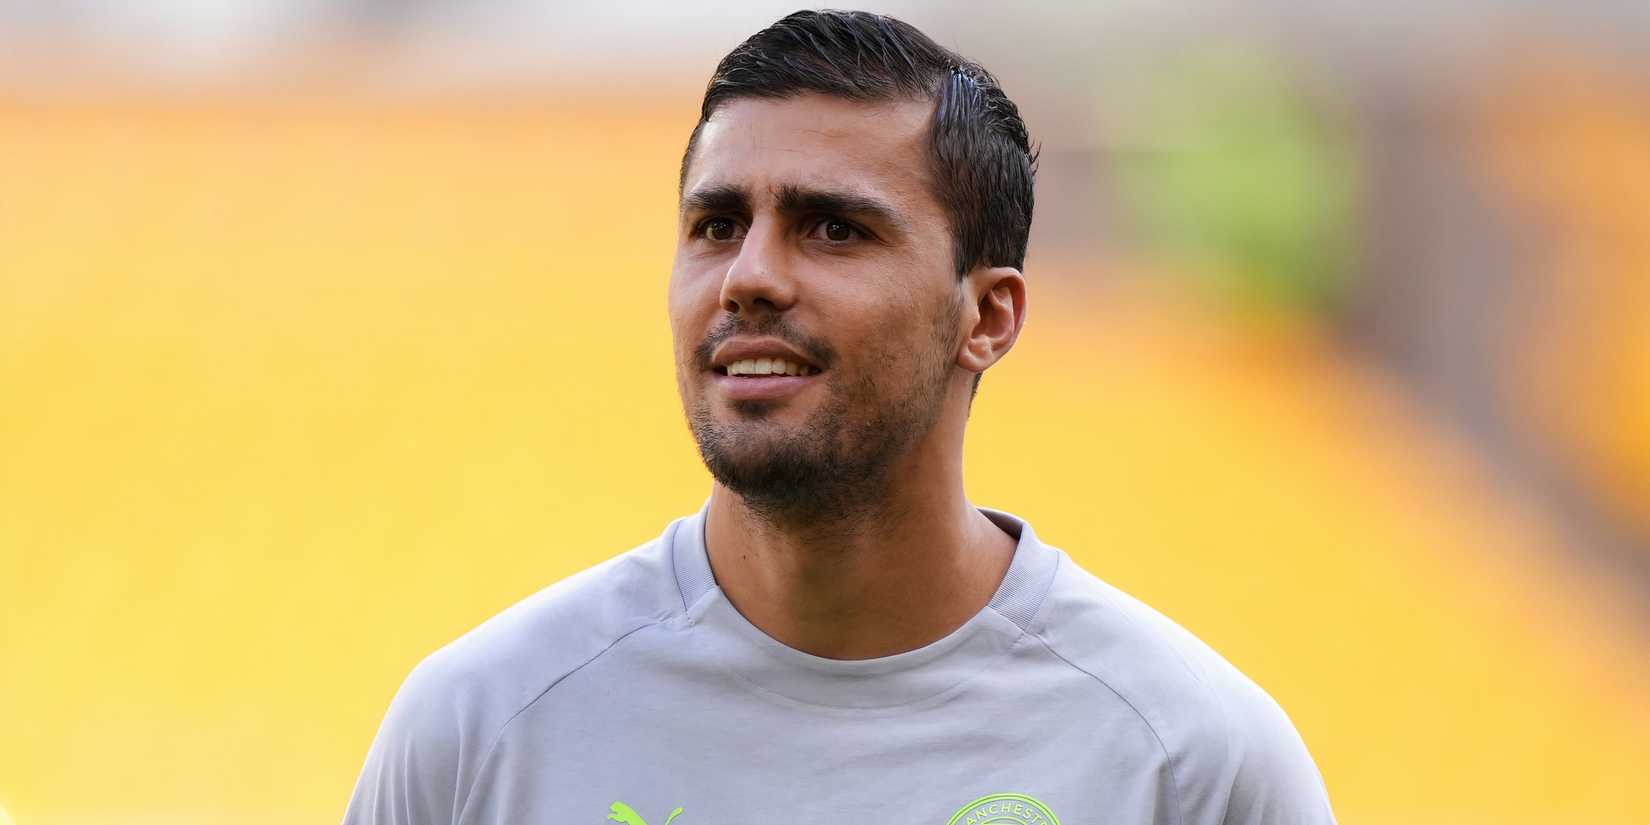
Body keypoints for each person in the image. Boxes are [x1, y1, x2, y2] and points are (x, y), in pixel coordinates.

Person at [342, 10, 1336, 825]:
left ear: (986, 315)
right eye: (717, 225)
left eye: (833, 228)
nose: (750, 277)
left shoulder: (1191, 765)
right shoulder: (481, 733)